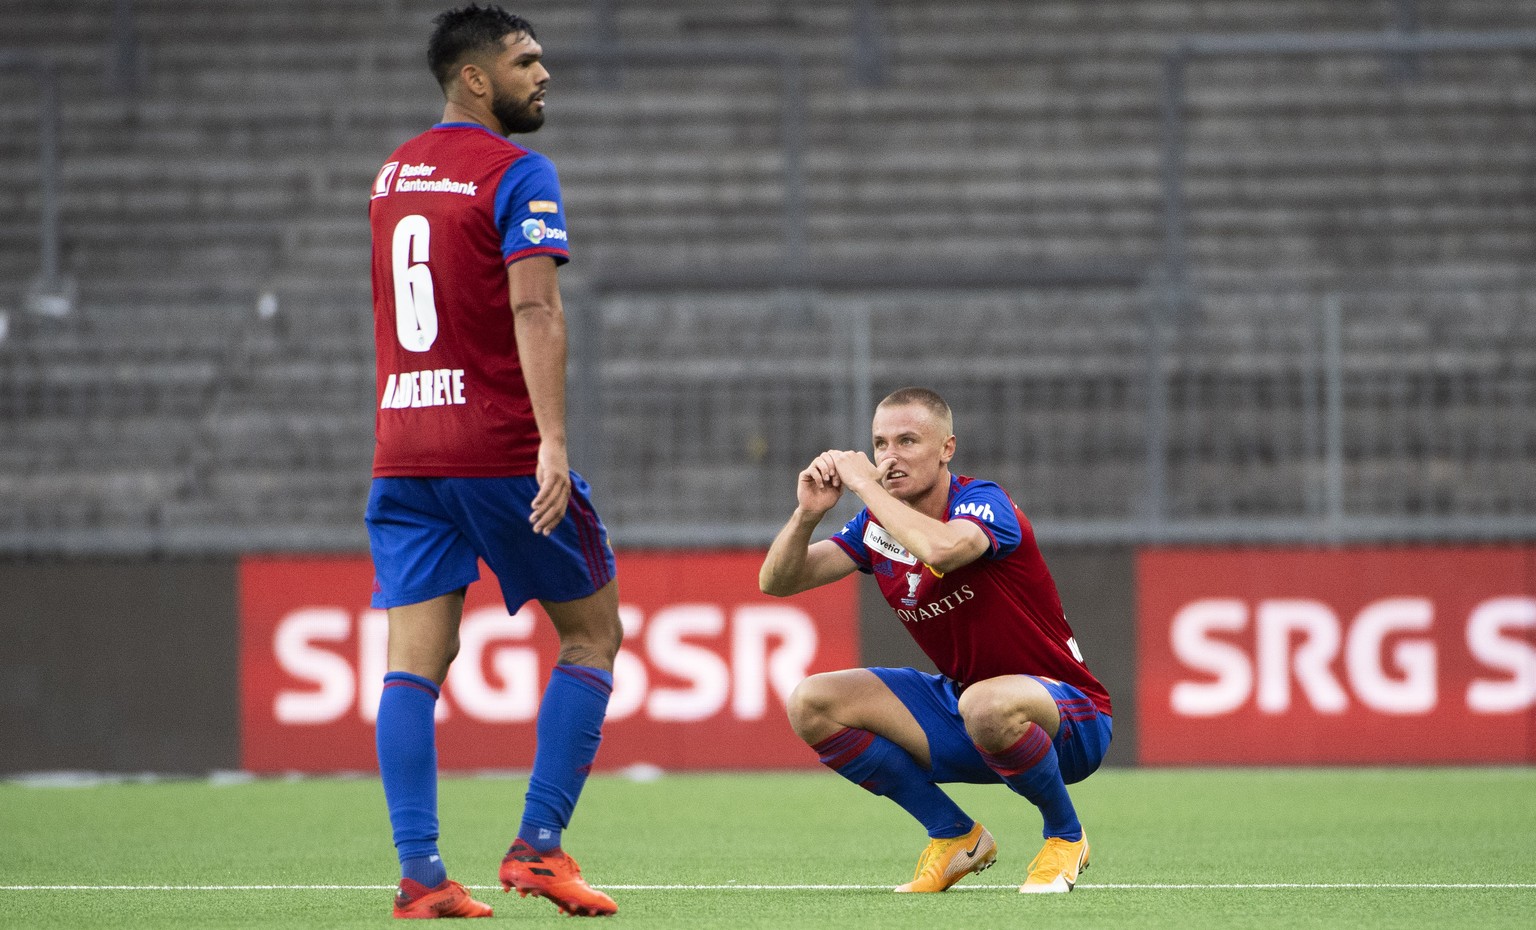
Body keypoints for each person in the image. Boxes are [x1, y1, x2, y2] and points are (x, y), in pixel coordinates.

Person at [365, 5, 621, 919]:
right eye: (526, 61)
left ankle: (420, 874)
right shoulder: (520, 169)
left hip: (403, 448)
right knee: (593, 634)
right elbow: (536, 311)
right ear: (475, 79)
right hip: (495, 446)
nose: (543, 73)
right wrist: (552, 439)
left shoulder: (393, 171)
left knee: (413, 667)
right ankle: (539, 850)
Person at [759, 387, 1113, 895]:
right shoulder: (875, 525)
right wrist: (808, 514)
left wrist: (864, 485)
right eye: (880, 444)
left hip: (1070, 716)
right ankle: (955, 837)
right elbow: (778, 581)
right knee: (811, 702)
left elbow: (943, 550)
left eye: (907, 441)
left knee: (986, 702)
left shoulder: (983, 502)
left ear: (947, 447)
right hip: (970, 710)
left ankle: (1065, 836)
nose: (889, 457)